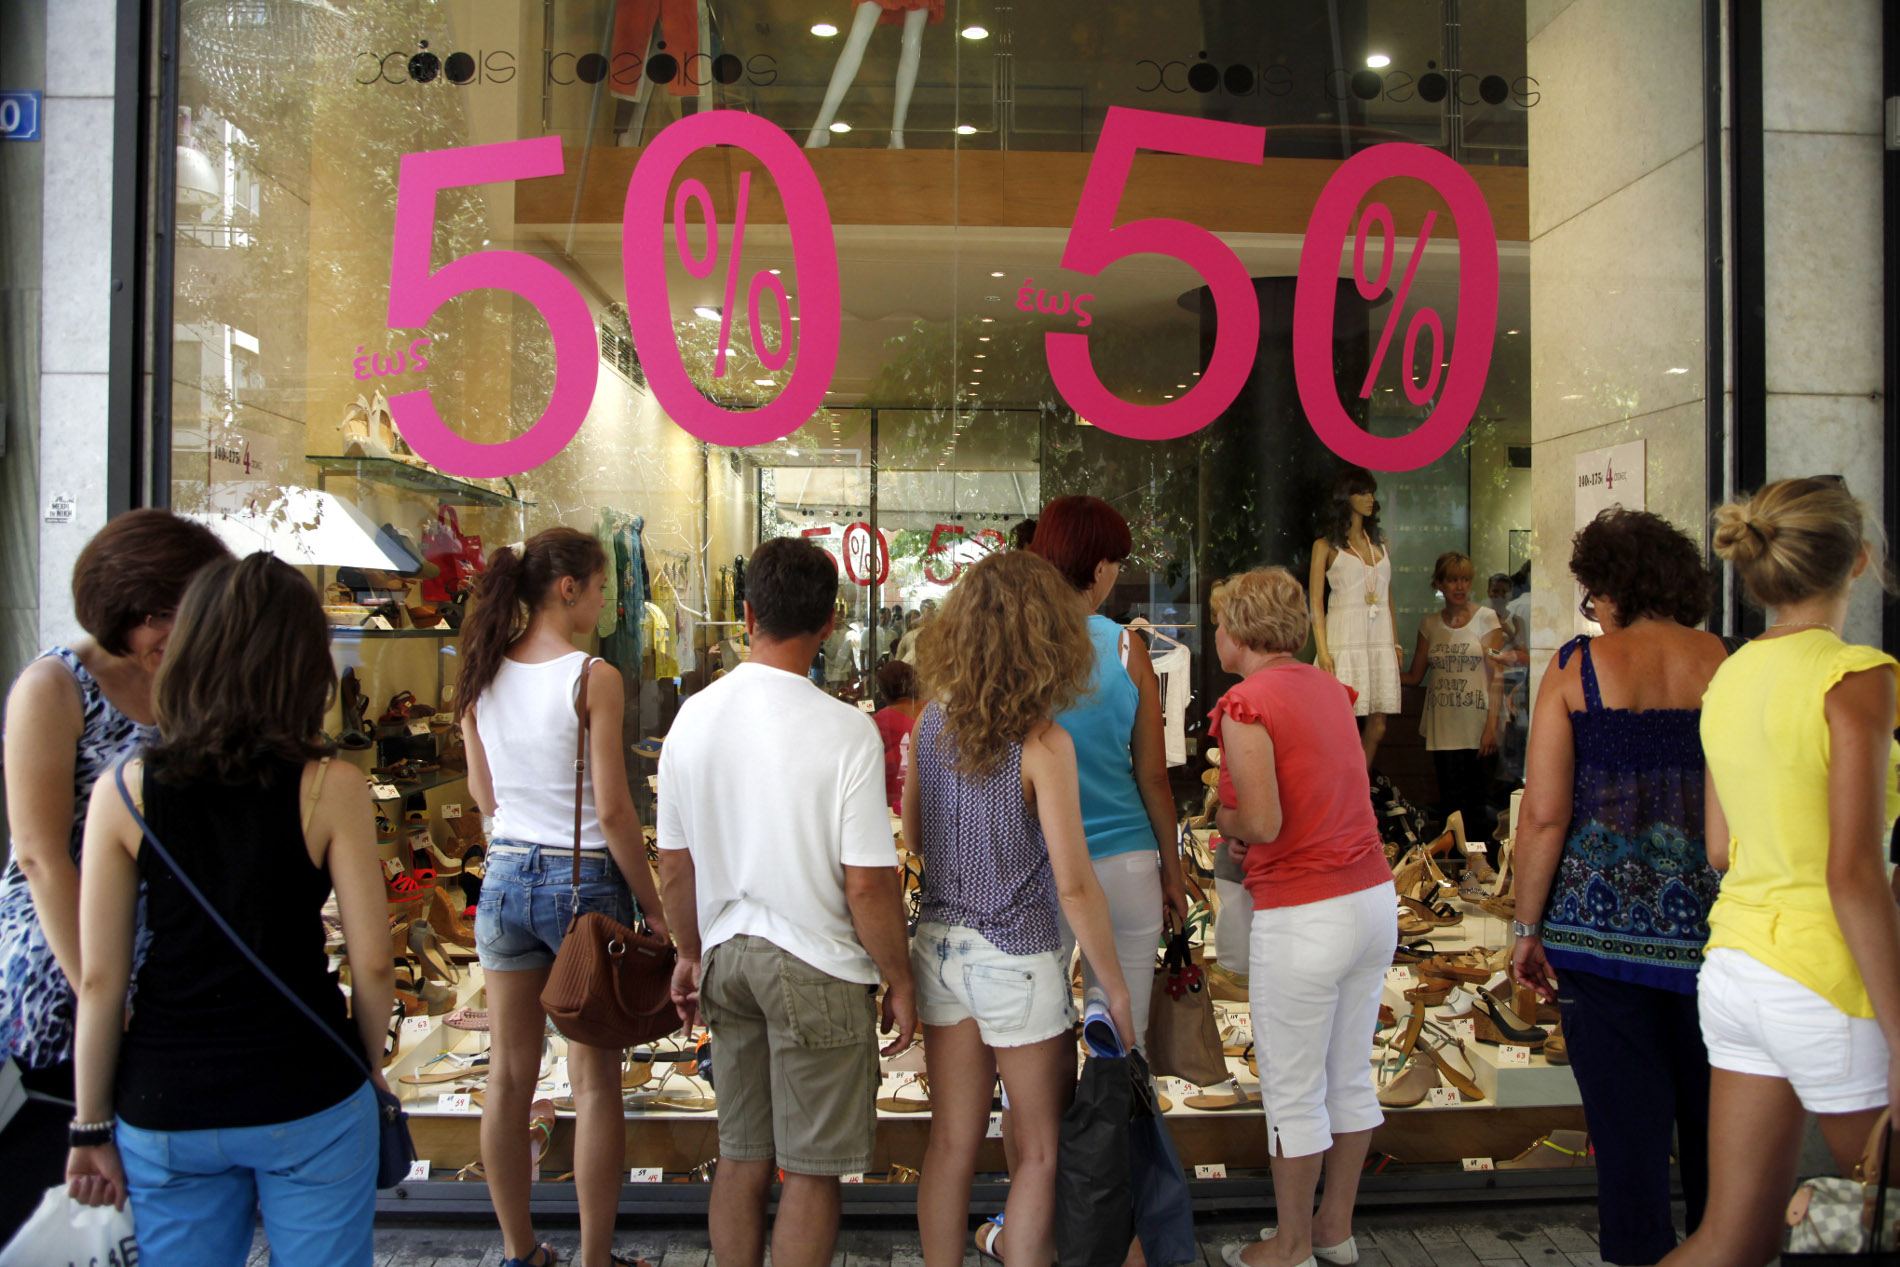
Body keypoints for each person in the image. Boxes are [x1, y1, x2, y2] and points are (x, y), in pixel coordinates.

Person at [63, 553, 393, 1263]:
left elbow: (99, 980)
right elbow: (372, 960)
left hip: (167, 1094)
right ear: (302, 663)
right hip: (306, 1084)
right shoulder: (330, 786)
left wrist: (89, 1125)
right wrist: (368, 1063)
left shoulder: (124, 789)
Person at [1659, 479, 1900, 1267]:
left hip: (1737, 970)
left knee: (1731, 1240)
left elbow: (1719, 847)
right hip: (1827, 979)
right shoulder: (1856, 674)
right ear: (1858, 561)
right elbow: (1853, 873)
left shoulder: (1731, 674)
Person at [656, 536, 915, 1267]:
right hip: (816, 965)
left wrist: (688, 953)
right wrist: (898, 978)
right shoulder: (845, 730)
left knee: (741, 1153)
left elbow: (675, 866)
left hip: (727, 956)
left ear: (747, 615)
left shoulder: (691, 719)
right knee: (809, 1170)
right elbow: (867, 882)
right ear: (829, 622)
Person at [0, 509, 228, 1241]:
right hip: (66, 954)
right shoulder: (54, 685)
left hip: (167, 958)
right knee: (61, 1185)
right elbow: (39, 855)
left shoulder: (189, 681)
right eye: (168, 615)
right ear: (130, 606)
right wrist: (100, 990)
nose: (180, 633)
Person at [905, 550, 1135, 1267]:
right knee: (1038, 1151)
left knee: (951, 1142)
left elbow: (914, 836)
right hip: (1016, 954)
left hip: (939, 945)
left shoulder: (929, 725)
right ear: (1047, 639)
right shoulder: (1043, 742)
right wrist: (1115, 988)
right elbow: (1075, 885)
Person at [1509, 510, 1727, 1265]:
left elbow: (1544, 815)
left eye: (1593, 593)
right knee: (1717, 1133)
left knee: (1628, 1139)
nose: (1592, 609)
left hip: (1596, 939)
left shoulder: (1578, 667)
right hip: (1716, 936)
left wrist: (1525, 928)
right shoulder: (1727, 661)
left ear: (1612, 587)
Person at [456, 527, 669, 1267]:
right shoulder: (592, 677)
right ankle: (595, 1258)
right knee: (594, 1082)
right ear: (568, 588)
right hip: (582, 886)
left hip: (504, 877)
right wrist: (655, 906)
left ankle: (520, 1252)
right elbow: (613, 811)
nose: (606, 601)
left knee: (508, 1076)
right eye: (601, 587)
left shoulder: (481, 673)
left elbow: (484, 796)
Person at [1210, 568, 1397, 1267]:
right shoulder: (1328, 687)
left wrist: (1223, 818)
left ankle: (1289, 1245)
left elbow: (1261, 819)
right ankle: (1332, 1229)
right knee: (1348, 1076)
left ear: (1240, 630)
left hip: (1304, 911)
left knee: (1293, 1088)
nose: (1216, 633)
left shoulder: (1246, 703)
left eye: (1220, 621)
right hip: (1371, 896)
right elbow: (1318, 792)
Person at [1030, 495, 1190, 1039]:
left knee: (1039, 1034)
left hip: (1038, 862)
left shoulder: (1014, 647)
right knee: (1125, 1035)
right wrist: (1173, 872)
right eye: (1117, 563)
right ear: (1099, 568)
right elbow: (1153, 778)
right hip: (1125, 859)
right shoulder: (1125, 647)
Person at [1400, 552, 1506, 855]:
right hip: (1443, 727)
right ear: (1439, 584)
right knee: (1451, 803)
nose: (1460, 586)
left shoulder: (1487, 618)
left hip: (1476, 726)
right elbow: (1415, 675)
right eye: (1452, 580)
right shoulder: (1429, 624)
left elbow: (1496, 676)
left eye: (1465, 579)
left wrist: (1492, 726)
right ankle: (1456, 868)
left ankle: (1481, 865)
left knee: (1477, 804)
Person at [1308, 468, 1401, 767]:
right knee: (1339, 722)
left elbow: (1388, 596)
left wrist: (1396, 643)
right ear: (1345, 498)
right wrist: (1322, 651)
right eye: (1362, 492)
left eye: (1371, 492)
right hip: (1343, 640)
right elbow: (1315, 603)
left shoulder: (1381, 543)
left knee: (1378, 725)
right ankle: (1339, 783)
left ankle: (1360, 783)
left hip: (1378, 640)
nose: (1370, 498)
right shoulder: (1325, 546)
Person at [872, 659, 926, 811]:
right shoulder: (934, 712)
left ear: (883, 692)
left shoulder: (878, 722)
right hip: (932, 806)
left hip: (891, 806)